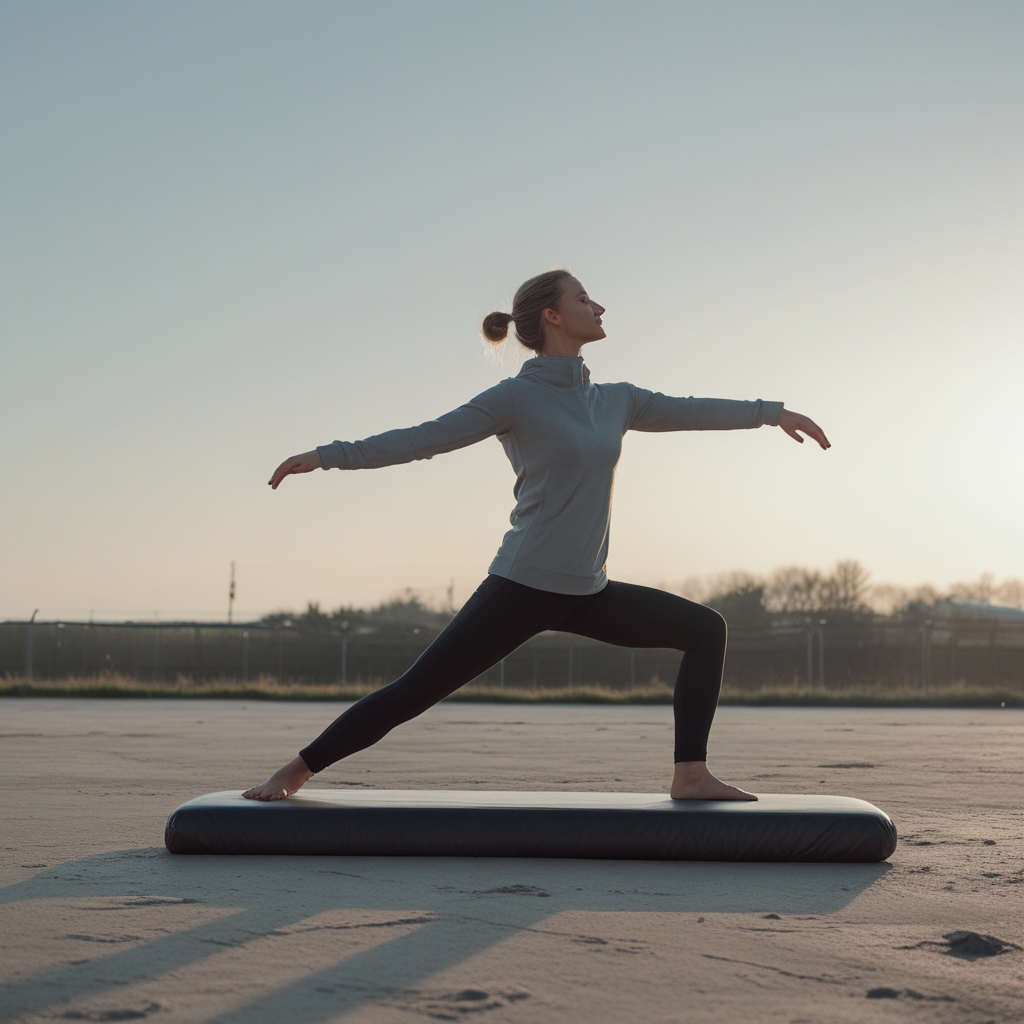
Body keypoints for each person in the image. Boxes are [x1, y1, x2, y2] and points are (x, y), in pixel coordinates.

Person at [243, 269, 829, 802]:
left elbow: (691, 409)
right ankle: (293, 773)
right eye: (583, 298)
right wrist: (328, 456)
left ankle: (691, 775)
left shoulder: (615, 400)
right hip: (522, 583)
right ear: (552, 316)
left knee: (705, 629)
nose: (598, 306)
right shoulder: (516, 398)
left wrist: (771, 412)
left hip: (589, 591)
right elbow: (424, 438)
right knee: (414, 692)